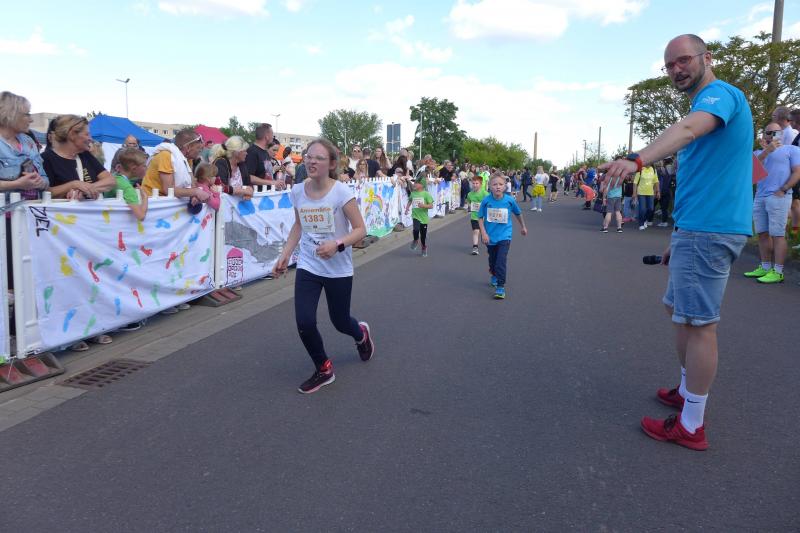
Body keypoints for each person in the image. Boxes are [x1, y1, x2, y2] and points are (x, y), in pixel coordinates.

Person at [600, 34, 754, 451]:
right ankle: (687, 392)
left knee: (700, 324)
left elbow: (687, 130)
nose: (676, 70)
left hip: (710, 228)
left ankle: (691, 424)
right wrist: (679, 234)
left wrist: (636, 159)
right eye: (669, 65)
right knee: (680, 311)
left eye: (683, 60)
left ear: (707, 58)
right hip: (696, 228)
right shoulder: (705, 104)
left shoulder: (719, 96)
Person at [272, 138, 373, 394]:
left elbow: (360, 229)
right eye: (309, 156)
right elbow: (298, 225)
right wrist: (285, 254)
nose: (311, 161)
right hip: (309, 263)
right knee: (304, 321)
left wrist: (337, 244)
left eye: (319, 158)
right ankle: (324, 368)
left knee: (340, 321)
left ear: (331, 164)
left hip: (338, 268)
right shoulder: (297, 191)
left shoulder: (341, 193)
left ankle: (360, 333)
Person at [0, 91, 49, 297]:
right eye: (26, 114)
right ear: (10, 114)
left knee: (29, 274)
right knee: (9, 277)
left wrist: (40, 182)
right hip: (5, 221)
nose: (30, 119)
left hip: (30, 217)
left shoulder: (29, 142)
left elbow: (45, 179)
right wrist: (17, 184)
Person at [743, 122, 800, 284]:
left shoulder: (792, 149)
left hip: (779, 196)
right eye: (768, 132)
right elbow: (750, 174)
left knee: (777, 234)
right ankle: (765, 266)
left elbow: (797, 172)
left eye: (775, 132)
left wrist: (784, 189)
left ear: (781, 133)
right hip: (760, 196)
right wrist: (766, 151)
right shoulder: (758, 153)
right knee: (762, 233)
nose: (771, 135)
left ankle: (778, 271)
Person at [43, 115, 116, 201]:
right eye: (87, 134)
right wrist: (74, 185)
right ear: (72, 135)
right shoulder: (46, 159)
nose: (90, 139)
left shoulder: (85, 155)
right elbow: (44, 192)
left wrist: (85, 189)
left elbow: (111, 181)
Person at [478, 174, 527, 299]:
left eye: (500, 184)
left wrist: (523, 226)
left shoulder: (509, 200)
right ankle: (493, 273)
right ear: (490, 186)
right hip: (490, 236)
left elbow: (518, 213)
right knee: (493, 260)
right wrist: (483, 233)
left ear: (505, 186)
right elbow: (480, 217)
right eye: (495, 184)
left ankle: (500, 287)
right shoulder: (486, 201)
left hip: (505, 236)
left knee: (501, 261)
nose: (498, 187)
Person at [140, 128, 209, 203]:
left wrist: (194, 195)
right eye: (198, 148)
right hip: (152, 201)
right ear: (188, 147)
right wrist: (195, 192)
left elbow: (191, 184)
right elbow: (169, 190)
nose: (200, 151)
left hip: (168, 201)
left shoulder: (188, 159)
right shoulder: (166, 156)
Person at [104, 147, 149, 221]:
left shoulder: (115, 177)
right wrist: (145, 198)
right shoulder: (127, 188)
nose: (146, 168)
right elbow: (141, 216)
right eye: (144, 165)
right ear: (134, 169)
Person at [245, 123, 285, 190]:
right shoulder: (252, 152)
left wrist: (277, 183)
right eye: (272, 135)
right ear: (266, 136)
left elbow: (266, 174)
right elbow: (249, 177)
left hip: (266, 193)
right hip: (257, 195)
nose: (273, 137)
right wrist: (272, 183)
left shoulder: (265, 152)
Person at [404, 178, 434, 257]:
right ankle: (415, 240)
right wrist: (407, 209)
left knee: (423, 237)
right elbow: (410, 200)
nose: (414, 184)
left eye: (416, 183)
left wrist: (424, 206)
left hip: (424, 218)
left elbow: (431, 206)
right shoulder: (413, 193)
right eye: (414, 183)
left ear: (422, 185)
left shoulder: (426, 194)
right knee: (416, 229)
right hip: (415, 216)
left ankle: (424, 247)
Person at [466, 174, 488, 255]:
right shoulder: (470, 194)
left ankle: (484, 235)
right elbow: (468, 202)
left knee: (484, 232)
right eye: (473, 183)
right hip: (475, 216)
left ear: (481, 184)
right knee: (476, 231)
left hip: (484, 217)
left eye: (477, 183)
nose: (475, 185)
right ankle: (475, 247)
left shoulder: (485, 194)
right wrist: (469, 206)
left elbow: (489, 203)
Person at [633, 164, 660, 230]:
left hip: (650, 193)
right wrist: (634, 193)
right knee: (642, 209)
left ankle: (644, 219)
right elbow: (635, 182)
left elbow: (656, 181)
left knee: (651, 208)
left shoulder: (653, 170)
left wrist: (658, 191)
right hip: (641, 192)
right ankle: (641, 224)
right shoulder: (640, 169)